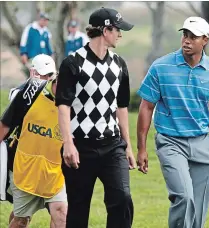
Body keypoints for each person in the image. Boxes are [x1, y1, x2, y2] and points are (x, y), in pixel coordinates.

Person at [137, 16, 209, 228]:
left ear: (205, 40)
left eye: (193, 37)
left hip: (203, 144)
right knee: (184, 197)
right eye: (185, 35)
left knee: (199, 211)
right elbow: (146, 107)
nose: (187, 41)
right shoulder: (160, 67)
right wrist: (141, 148)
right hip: (170, 142)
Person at [55, 7, 136, 228]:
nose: (120, 34)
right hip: (80, 147)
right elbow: (63, 106)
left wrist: (127, 146)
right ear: (105, 29)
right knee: (78, 212)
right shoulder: (73, 63)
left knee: (123, 200)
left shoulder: (119, 64)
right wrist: (68, 144)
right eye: (117, 29)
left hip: (112, 147)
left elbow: (121, 107)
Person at [0, 54, 67, 228]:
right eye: (42, 74)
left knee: (61, 212)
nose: (46, 79)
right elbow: (5, 125)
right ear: (32, 72)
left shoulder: (72, 100)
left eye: (49, 74)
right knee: (21, 219)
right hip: (26, 167)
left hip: (54, 170)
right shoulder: (25, 94)